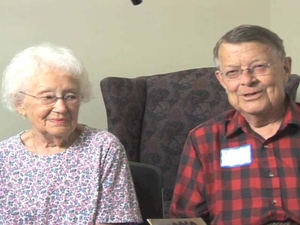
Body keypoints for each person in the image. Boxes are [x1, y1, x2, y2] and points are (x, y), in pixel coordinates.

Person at [169, 24, 300, 225]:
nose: (247, 80)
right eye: (233, 72)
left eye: (259, 67)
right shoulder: (203, 139)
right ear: (221, 81)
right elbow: (186, 220)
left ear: (285, 69)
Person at [0, 43, 142, 224]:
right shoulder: (4, 156)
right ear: (19, 103)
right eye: (48, 97)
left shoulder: (103, 148)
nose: (61, 107)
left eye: (70, 96)